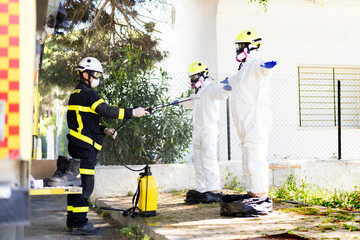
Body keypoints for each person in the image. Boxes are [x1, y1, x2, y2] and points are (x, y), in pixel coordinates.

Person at [66, 57, 149, 235]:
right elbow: (106, 110)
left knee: (76, 184)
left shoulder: (76, 93)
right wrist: (132, 112)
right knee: (85, 185)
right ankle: (80, 225)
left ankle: (72, 221)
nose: (97, 77)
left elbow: (86, 120)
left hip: (78, 144)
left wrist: (104, 129)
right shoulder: (88, 93)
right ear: (85, 74)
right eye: (96, 74)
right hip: (85, 147)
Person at [228, 29, 277, 199]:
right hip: (245, 121)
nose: (238, 49)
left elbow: (262, 67)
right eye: (238, 46)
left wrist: (266, 66)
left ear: (251, 47)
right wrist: (223, 84)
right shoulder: (242, 70)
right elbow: (232, 81)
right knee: (247, 155)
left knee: (255, 155)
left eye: (241, 46)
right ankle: (251, 191)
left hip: (256, 120)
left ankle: (260, 195)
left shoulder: (255, 63)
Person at [178, 61, 232, 196]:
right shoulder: (198, 92)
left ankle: (213, 189)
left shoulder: (210, 87)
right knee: (199, 162)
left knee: (209, 160)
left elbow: (221, 93)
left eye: (195, 77)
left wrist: (227, 86)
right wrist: (178, 102)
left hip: (209, 130)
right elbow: (190, 101)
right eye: (191, 78)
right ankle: (202, 189)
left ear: (203, 75)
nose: (193, 81)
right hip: (198, 132)